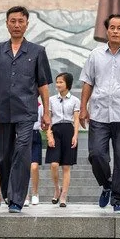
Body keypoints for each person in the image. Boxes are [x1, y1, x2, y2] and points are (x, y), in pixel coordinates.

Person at [0, 6, 52, 213]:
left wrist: (47, 112)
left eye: (20, 21)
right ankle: (8, 193)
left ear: (27, 24)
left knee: (22, 152)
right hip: (2, 111)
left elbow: (43, 85)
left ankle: (17, 199)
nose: (16, 25)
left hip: (26, 112)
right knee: (4, 156)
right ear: (6, 23)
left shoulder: (37, 51)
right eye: (12, 21)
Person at [80, 13, 120, 213]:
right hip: (99, 114)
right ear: (106, 30)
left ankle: (118, 199)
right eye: (112, 27)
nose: (115, 31)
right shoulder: (95, 55)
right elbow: (88, 82)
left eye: (119, 28)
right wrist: (83, 107)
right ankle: (107, 184)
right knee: (97, 154)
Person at [46, 72, 81, 208]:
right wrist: (49, 135)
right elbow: (48, 118)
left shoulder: (75, 101)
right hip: (55, 130)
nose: (58, 84)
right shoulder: (51, 100)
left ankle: (63, 196)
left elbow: (76, 119)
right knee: (54, 164)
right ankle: (57, 189)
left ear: (68, 84)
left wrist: (75, 136)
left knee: (66, 166)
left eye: (61, 82)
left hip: (68, 130)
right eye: (57, 82)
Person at [26, 97, 44, 207]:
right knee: (24, 167)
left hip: (35, 134)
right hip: (23, 135)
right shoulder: (20, 105)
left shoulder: (40, 106)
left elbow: (44, 122)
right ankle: (24, 195)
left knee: (34, 166)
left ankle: (35, 193)